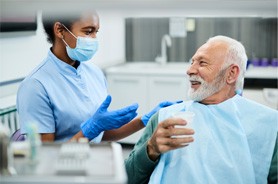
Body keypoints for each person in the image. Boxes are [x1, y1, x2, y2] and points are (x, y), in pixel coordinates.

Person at [125, 35, 278, 184]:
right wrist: (150, 149)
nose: (190, 70)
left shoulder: (268, 126)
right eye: (192, 62)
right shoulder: (165, 119)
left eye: (202, 63)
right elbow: (128, 178)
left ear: (231, 74)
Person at [16, 10, 177, 143]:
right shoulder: (35, 85)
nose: (94, 39)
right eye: (88, 31)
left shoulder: (94, 73)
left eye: (96, 32)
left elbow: (102, 133)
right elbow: (44, 159)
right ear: (60, 30)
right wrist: (90, 129)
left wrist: (146, 120)